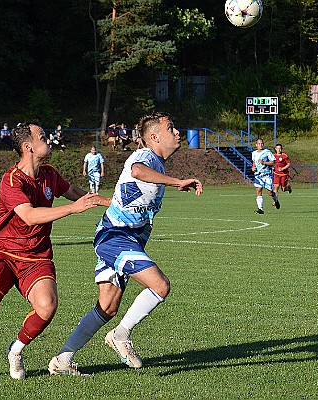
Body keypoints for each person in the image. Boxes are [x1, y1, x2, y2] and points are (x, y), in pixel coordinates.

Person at [0, 122, 110, 383]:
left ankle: (15, 350)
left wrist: (113, 203)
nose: (47, 138)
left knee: (47, 307)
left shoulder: (49, 173)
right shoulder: (12, 179)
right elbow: (28, 216)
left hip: (36, 256)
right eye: (42, 136)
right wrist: (74, 209)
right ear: (28, 146)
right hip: (2, 252)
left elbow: (74, 192)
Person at [48, 111, 203, 376]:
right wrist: (178, 182)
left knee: (107, 307)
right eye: (171, 128)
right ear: (154, 136)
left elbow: (130, 190)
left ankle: (63, 359)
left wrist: (109, 201)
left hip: (121, 237)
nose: (177, 133)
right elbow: (137, 171)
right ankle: (121, 334)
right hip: (115, 237)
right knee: (160, 285)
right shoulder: (145, 157)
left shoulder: (158, 163)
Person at [251, 138, 280, 214]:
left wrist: (264, 162)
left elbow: (273, 163)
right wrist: (253, 167)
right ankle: (260, 209)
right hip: (258, 175)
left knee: (270, 192)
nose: (260, 145)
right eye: (259, 143)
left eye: (262, 143)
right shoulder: (254, 153)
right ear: (256, 145)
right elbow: (254, 162)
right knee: (258, 190)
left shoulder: (267, 152)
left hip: (267, 175)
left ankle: (276, 200)